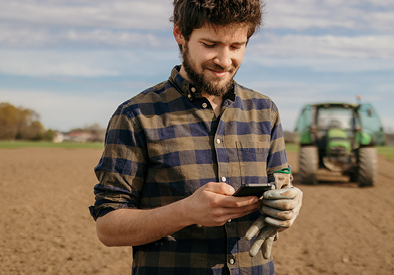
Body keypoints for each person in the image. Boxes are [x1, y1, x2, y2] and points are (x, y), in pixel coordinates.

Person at [89, 0, 303, 274]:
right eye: (211, 44)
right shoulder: (136, 116)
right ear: (180, 34)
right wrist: (186, 212)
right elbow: (107, 228)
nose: (225, 60)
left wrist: (288, 204)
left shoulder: (265, 111)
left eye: (236, 46)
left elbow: (282, 185)